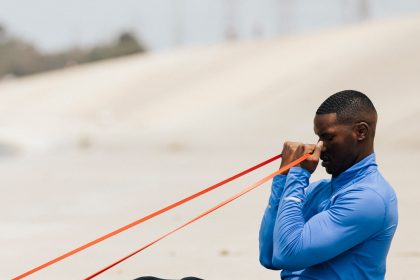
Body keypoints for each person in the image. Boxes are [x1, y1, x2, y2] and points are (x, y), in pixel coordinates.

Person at [259, 90, 398, 279]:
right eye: (318, 137)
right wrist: (283, 178)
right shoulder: (318, 190)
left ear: (361, 132)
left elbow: (288, 254)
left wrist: (298, 175)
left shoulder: (370, 197)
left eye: (328, 137)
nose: (319, 147)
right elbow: (268, 256)